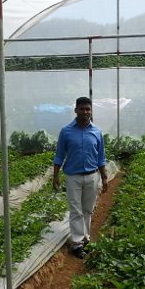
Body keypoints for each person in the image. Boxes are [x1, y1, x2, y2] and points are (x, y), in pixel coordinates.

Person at [52, 96, 108, 259]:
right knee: (76, 210)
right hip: (73, 177)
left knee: (88, 210)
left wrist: (104, 177)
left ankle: (85, 239)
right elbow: (59, 155)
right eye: (82, 109)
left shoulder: (97, 132)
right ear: (76, 110)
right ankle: (77, 243)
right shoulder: (66, 131)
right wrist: (55, 176)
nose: (85, 112)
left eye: (88, 109)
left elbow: (101, 157)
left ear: (91, 111)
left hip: (92, 176)